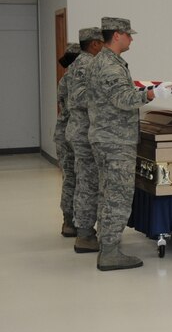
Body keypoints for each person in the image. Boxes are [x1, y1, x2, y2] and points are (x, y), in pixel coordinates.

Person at [86, 17, 159, 271]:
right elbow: (123, 99)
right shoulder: (110, 65)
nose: (132, 39)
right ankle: (110, 252)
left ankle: (106, 245)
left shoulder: (102, 61)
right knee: (117, 196)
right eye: (129, 35)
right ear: (117, 35)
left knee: (107, 193)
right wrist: (150, 94)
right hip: (115, 141)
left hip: (105, 138)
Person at [66, 27, 104, 254]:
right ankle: (85, 234)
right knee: (89, 183)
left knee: (85, 181)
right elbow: (80, 97)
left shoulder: (78, 63)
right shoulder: (87, 64)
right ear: (95, 44)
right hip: (83, 131)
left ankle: (84, 231)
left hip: (79, 130)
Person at [55, 43, 80, 238]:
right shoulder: (75, 78)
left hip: (65, 133)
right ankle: (73, 221)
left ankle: (70, 221)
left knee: (71, 179)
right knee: (76, 179)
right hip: (73, 134)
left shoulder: (66, 77)